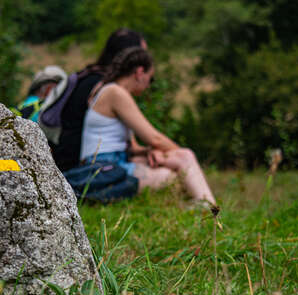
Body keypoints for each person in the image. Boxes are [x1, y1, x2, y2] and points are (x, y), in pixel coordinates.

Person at [80, 47, 216, 206]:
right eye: (150, 79)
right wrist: (178, 153)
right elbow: (154, 138)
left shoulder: (106, 89)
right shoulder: (116, 93)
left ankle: (202, 206)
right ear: (139, 72)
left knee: (178, 172)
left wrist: (149, 151)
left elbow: (132, 146)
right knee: (178, 171)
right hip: (104, 167)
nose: (149, 86)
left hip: (110, 161)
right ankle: (209, 209)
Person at [51, 28, 147, 172]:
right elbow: (134, 144)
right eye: (143, 54)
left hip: (62, 159)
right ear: (131, 56)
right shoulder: (109, 88)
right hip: (82, 167)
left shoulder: (86, 76)